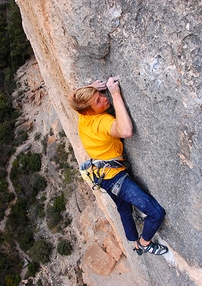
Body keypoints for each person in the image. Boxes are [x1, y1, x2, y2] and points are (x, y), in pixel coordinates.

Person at [69, 77, 168, 255]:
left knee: (124, 209)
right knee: (156, 213)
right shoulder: (102, 122)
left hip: (103, 177)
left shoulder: (83, 115)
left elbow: (73, 98)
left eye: (101, 95)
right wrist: (115, 94)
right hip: (116, 179)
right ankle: (144, 243)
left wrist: (91, 89)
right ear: (89, 111)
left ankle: (133, 242)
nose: (103, 98)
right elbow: (126, 131)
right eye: (98, 101)